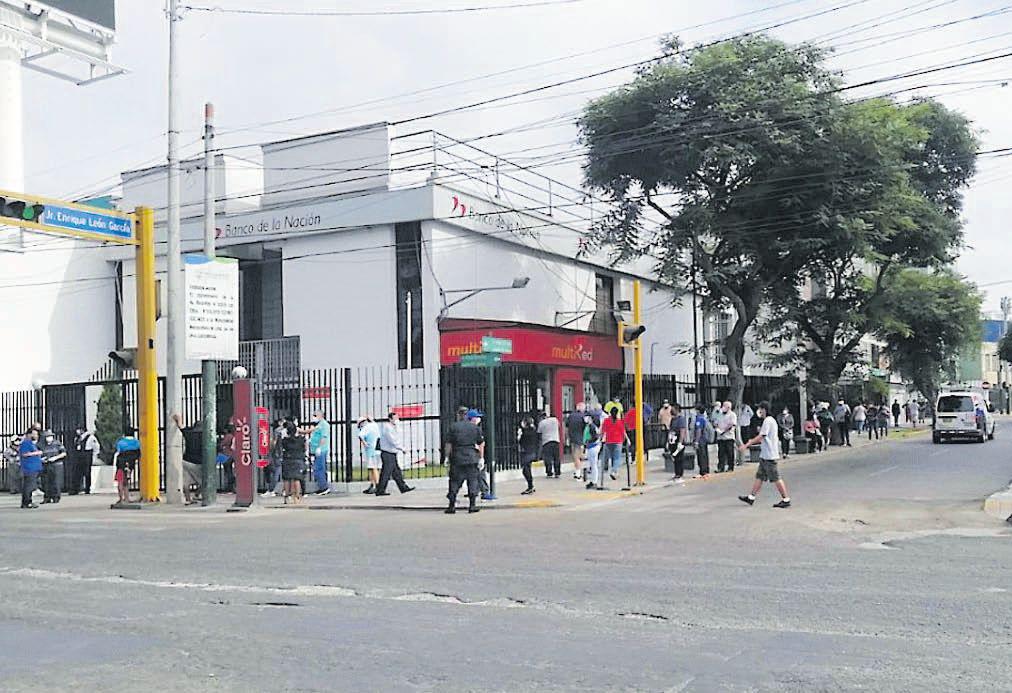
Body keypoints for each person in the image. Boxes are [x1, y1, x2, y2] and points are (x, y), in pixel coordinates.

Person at [738, 401, 791, 508]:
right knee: (760, 476)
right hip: (765, 454)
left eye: (760, 409)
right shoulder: (769, 421)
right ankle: (751, 497)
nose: (759, 412)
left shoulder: (768, 420)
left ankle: (786, 499)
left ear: (764, 409)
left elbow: (762, 436)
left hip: (770, 455)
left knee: (776, 477)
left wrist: (748, 443)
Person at [444, 408, 485, 514]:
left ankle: (452, 506)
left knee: (454, 482)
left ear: (458, 415)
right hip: (471, 457)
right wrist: (481, 458)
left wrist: (447, 457)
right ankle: (472, 505)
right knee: (472, 481)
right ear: (467, 416)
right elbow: (481, 443)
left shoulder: (453, 427)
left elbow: (449, 444)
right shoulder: (474, 428)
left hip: (457, 457)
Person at [376, 411, 415, 496]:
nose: (397, 420)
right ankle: (380, 490)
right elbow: (393, 440)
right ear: (390, 419)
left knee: (396, 472)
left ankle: (403, 487)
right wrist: (402, 448)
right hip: (387, 453)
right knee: (386, 472)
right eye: (395, 418)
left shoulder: (393, 427)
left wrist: (398, 426)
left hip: (392, 453)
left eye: (397, 418)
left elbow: (398, 435)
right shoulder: (387, 428)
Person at [600, 406, 629, 483]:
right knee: (616, 458)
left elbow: (603, 430)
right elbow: (623, 431)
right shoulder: (619, 421)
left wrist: (602, 438)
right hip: (618, 441)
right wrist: (627, 439)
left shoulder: (606, 421)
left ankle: (609, 469)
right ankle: (614, 471)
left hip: (608, 441)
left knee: (608, 456)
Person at [280, 421, 306, 504]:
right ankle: (297, 497)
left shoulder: (285, 440)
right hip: (298, 459)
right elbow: (304, 448)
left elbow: (281, 447)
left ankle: (286, 497)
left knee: (287, 479)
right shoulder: (301, 439)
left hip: (287, 460)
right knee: (297, 479)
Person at [113, 429, 141, 505]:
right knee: (126, 481)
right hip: (131, 464)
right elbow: (138, 453)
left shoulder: (121, 442)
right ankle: (127, 498)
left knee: (120, 480)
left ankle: (121, 498)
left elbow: (118, 451)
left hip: (121, 464)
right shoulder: (137, 442)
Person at [18, 428, 43, 509]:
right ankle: (27, 502)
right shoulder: (26, 443)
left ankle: (28, 501)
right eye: (34, 434)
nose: (36, 436)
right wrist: (37, 453)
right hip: (29, 468)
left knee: (30, 485)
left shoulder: (31, 443)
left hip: (34, 467)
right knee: (29, 486)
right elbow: (24, 454)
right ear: (29, 434)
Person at [69, 426, 99, 495]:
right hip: (78, 455)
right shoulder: (77, 438)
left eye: (79, 430)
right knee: (77, 472)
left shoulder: (90, 437)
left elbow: (96, 447)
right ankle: (76, 489)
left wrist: (94, 456)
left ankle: (87, 488)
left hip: (87, 455)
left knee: (87, 473)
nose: (77, 431)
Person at [307, 411, 331, 496]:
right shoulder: (319, 425)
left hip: (321, 450)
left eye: (315, 415)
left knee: (318, 469)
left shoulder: (324, 425)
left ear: (321, 416)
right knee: (319, 469)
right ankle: (322, 487)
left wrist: (319, 447)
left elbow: (323, 437)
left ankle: (324, 487)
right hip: (316, 450)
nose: (313, 417)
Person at [357, 415, 382, 494]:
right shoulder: (374, 425)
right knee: (373, 468)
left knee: (373, 468)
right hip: (378, 449)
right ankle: (372, 485)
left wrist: (364, 443)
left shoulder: (365, 428)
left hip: (371, 451)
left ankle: (377, 486)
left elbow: (360, 436)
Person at [668, 403, 689, 485]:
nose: (671, 410)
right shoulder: (673, 419)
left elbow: (682, 431)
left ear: (677, 410)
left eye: (672, 409)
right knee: (675, 458)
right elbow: (670, 430)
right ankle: (676, 474)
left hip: (678, 440)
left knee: (679, 458)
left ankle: (680, 474)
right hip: (672, 440)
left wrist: (680, 442)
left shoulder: (681, 419)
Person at [518, 415, 539, 495]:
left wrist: (520, 435)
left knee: (525, 469)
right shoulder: (534, 430)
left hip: (526, 452)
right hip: (532, 451)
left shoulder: (525, 432)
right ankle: (531, 486)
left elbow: (521, 441)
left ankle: (530, 486)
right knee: (527, 468)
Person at [537, 410, 561, 478]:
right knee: (556, 457)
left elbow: (539, 432)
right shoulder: (555, 420)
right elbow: (558, 427)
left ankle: (549, 472)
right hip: (556, 440)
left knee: (548, 458)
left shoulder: (541, 423)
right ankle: (557, 472)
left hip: (546, 442)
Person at [565, 403, 586, 480]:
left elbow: (566, 427)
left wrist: (566, 437)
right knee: (578, 456)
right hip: (581, 439)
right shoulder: (583, 416)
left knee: (575, 455)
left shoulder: (571, 416)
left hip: (572, 438)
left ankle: (577, 470)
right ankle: (578, 473)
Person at [716, 401, 738, 473]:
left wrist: (723, 431)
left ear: (729, 408)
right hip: (720, 437)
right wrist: (718, 429)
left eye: (724, 406)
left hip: (729, 437)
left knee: (730, 453)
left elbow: (731, 425)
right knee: (721, 453)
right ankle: (720, 467)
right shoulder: (719, 414)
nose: (723, 407)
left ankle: (730, 467)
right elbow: (716, 423)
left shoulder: (732, 415)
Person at [692, 403, 713, 479]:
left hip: (700, 440)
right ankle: (706, 471)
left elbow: (698, 430)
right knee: (704, 455)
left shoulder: (699, 419)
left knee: (701, 456)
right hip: (704, 440)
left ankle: (703, 471)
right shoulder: (704, 418)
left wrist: (696, 441)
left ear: (697, 410)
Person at [583, 413, 603, 489]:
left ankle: (594, 481)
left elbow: (595, 437)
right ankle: (592, 481)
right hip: (590, 447)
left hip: (593, 447)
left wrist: (588, 441)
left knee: (593, 465)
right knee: (592, 465)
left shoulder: (592, 426)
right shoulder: (589, 426)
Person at [218, 424, 235, 493]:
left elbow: (222, 444)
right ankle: (230, 486)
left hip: (225, 455)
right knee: (229, 471)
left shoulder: (228, 436)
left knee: (227, 472)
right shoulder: (233, 436)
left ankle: (229, 487)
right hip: (231, 455)